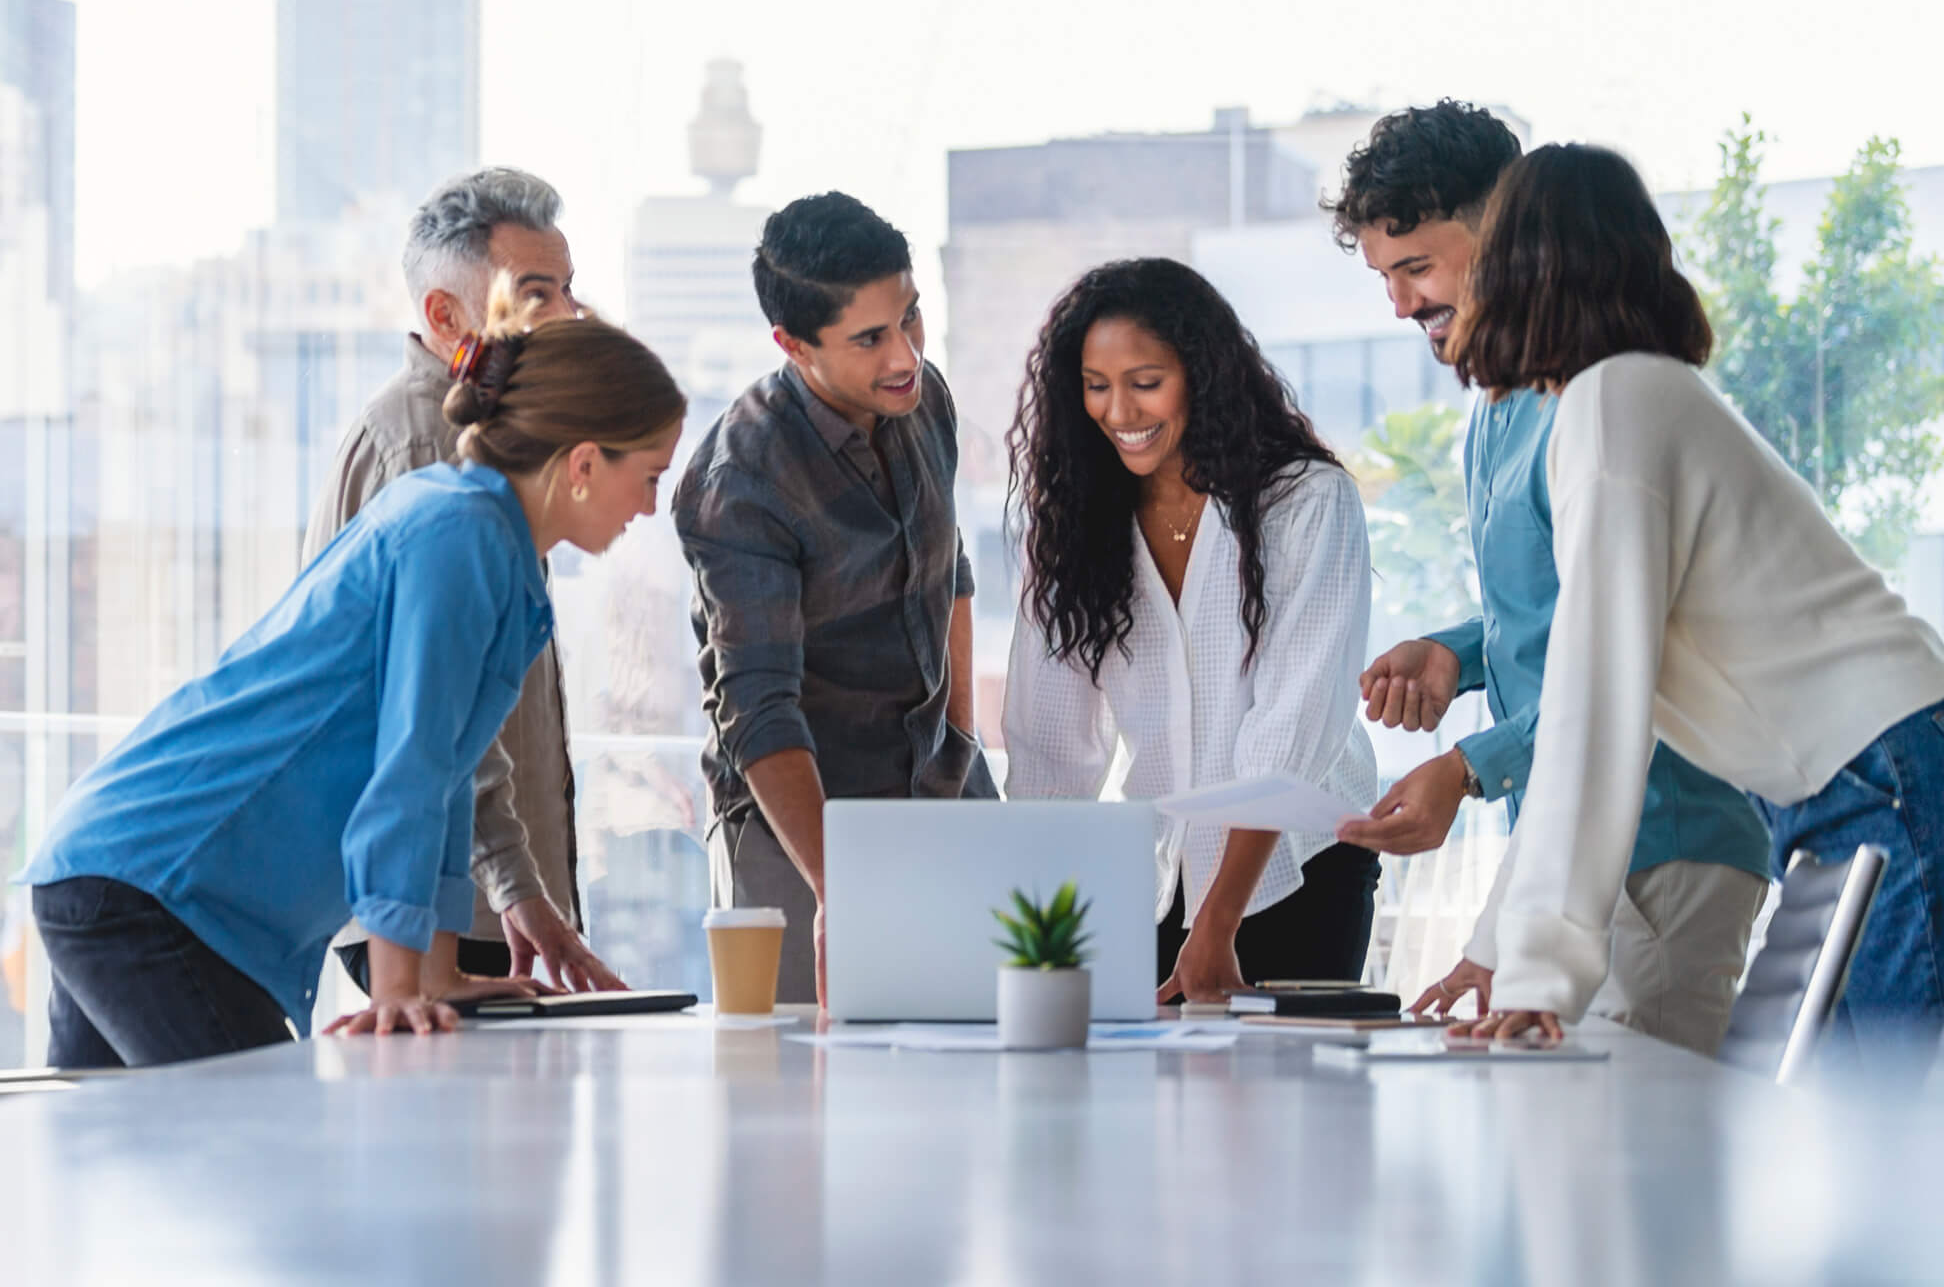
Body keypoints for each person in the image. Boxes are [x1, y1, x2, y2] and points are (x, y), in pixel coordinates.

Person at [21, 284, 686, 1066]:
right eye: (648, 475)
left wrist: (433, 975)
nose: (649, 507)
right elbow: (404, 775)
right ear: (581, 463)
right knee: (257, 1155)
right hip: (154, 884)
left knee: (123, 1165)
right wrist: (397, 987)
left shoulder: (490, 542)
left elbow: (445, 779)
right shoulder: (459, 538)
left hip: (129, 873)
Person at [1429, 142, 1944, 1057]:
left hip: (1880, 773)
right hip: (1853, 783)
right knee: (1859, 1134)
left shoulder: (1616, 404)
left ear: (1515, 269)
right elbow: (1591, 707)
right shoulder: (1634, 397)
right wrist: (1510, 947)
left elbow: (1595, 701)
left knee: (1903, 1133)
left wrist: (1539, 971)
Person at [1323, 103, 1772, 1056]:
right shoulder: (1495, 407)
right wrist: (1456, 653)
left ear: (1510, 233)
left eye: (1419, 267)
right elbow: (1553, 613)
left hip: (1661, 844)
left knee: (1633, 1167)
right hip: (1570, 849)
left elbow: (1623, 658)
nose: (1401, 305)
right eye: (1384, 278)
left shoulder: (1605, 401)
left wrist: (1467, 767)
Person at [1002, 258, 1381, 1001]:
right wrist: (1038, 943)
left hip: (1297, 868)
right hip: (1159, 878)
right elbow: (1050, 756)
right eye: (1096, 385)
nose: (1119, 411)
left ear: (1202, 374)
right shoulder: (1075, 529)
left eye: (1146, 382)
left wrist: (1216, 928)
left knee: (1283, 1104)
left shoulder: (1306, 502)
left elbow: (1289, 733)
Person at [673, 192, 997, 1007]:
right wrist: (836, 886)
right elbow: (760, 707)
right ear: (792, 344)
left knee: (975, 1062)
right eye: (870, 339)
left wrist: (958, 734)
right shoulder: (742, 477)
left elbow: (949, 569)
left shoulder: (925, 404)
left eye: (911, 320)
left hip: (939, 786)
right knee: (798, 1104)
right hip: (797, 830)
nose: (905, 358)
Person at [305, 167, 623, 996]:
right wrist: (516, 885)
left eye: (569, 291)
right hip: (447, 911)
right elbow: (423, 716)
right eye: (537, 293)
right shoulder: (421, 452)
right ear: (445, 317)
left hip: (487, 903)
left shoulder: (489, 437)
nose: (570, 317)